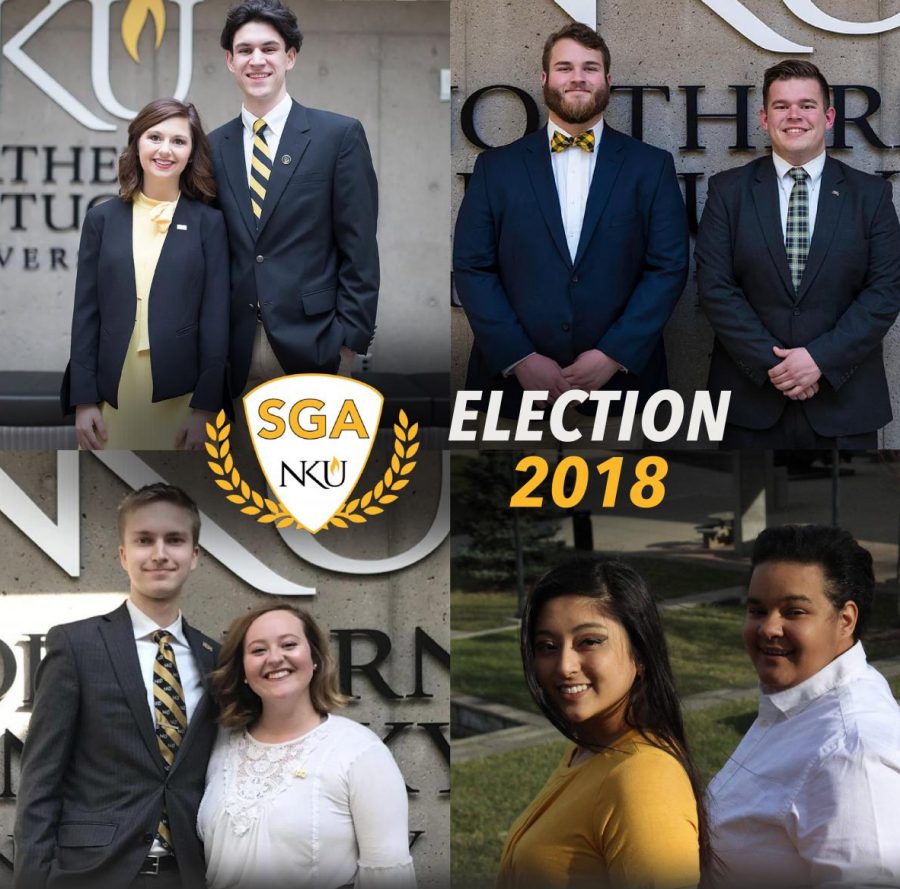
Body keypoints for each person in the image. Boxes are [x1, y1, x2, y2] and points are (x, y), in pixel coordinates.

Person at [452, 23, 688, 432]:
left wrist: (614, 354)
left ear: (608, 80)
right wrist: (520, 359)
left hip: (623, 393)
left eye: (590, 68)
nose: (577, 77)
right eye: (564, 67)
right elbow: (473, 267)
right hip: (511, 394)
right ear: (544, 79)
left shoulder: (651, 167)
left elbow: (668, 268)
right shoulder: (496, 169)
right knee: (491, 496)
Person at [13, 484, 220, 889]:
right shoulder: (75, 645)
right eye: (144, 540)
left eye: (174, 540)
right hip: (92, 875)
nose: (159, 553)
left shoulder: (216, 656)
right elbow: (40, 780)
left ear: (194, 556)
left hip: (191, 874)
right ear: (124, 555)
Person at [696, 59, 900, 448]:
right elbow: (715, 288)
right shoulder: (728, 192)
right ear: (763, 117)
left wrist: (819, 359)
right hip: (749, 402)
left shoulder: (871, 196)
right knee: (748, 511)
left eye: (807, 105)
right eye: (781, 106)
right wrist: (775, 365)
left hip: (845, 404)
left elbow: (885, 291)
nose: (794, 116)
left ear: (828, 117)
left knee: (847, 511)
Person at [497, 558, 709, 889]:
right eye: (547, 647)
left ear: (640, 654)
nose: (565, 665)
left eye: (589, 642)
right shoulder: (586, 749)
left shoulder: (643, 779)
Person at [708, 524, 900, 886]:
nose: (768, 628)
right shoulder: (793, 706)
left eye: (793, 612)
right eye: (757, 610)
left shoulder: (853, 753)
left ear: (845, 620)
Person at [209, 0, 379, 394]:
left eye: (269, 49)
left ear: (290, 57)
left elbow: (360, 246)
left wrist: (350, 340)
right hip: (233, 350)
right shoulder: (213, 146)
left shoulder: (338, 136)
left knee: (314, 460)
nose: (257, 60)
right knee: (232, 458)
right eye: (245, 50)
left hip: (317, 344)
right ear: (230, 62)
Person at [198, 603, 415, 889]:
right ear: (243, 671)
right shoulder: (219, 746)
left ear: (314, 659)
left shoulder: (359, 752)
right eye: (258, 650)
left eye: (289, 644)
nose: (275, 658)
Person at [61, 98, 230, 450]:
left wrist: (205, 407)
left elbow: (216, 320)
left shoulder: (209, 223)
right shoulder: (102, 219)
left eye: (178, 141)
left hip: (182, 397)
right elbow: (86, 315)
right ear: (137, 142)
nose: (165, 150)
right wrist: (84, 400)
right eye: (155, 137)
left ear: (191, 152)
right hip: (114, 392)